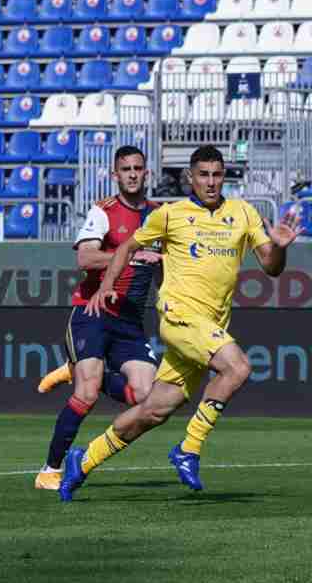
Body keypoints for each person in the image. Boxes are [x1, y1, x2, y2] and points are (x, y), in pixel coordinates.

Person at [59, 146, 303, 501]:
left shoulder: (243, 213)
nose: (211, 182)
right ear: (191, 177)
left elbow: (272, 267)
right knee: (238, 367)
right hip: (179, 316)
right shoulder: (171, 215)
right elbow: (127, 247)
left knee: (153, 410)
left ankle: (83, 460)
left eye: (217, 175)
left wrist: (280, 247)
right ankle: (188, 448)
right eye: (203, 175)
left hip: (209, 324)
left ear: (224, 177)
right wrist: (109, 286)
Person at [33, 146, 163, 491]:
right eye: (125, 168)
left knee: (147, 396)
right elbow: (86, 259)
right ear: (114, 175)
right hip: (93, 312)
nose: (132, 173)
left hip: (130, 322)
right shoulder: (104, 211)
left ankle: (74, 371)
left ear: (146, 173)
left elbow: (165, 263)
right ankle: (49, 469)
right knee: (87, 394)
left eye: (138, 167)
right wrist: (133, 255)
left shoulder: (160, 215)